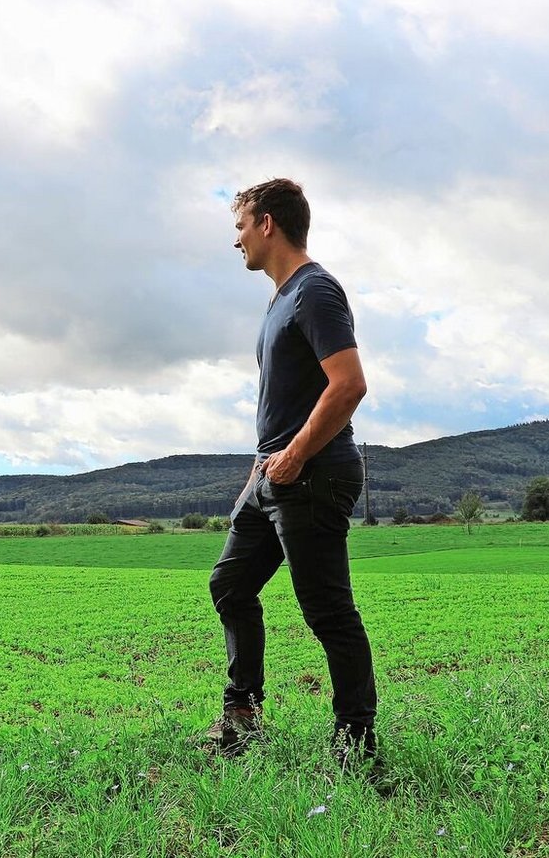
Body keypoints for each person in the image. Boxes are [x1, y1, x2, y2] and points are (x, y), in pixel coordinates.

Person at [204, 178, 378, 768]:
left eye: (240, 226)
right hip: (273, 475)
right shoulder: (280, 299)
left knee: (327, 610)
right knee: (229, 584)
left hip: (312, 472)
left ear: (268, 224)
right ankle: (243, 714)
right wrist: (262, 467)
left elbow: (349, 385)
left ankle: (356, 743)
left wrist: (296, 454)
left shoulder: (314, 292)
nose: (238, 241)